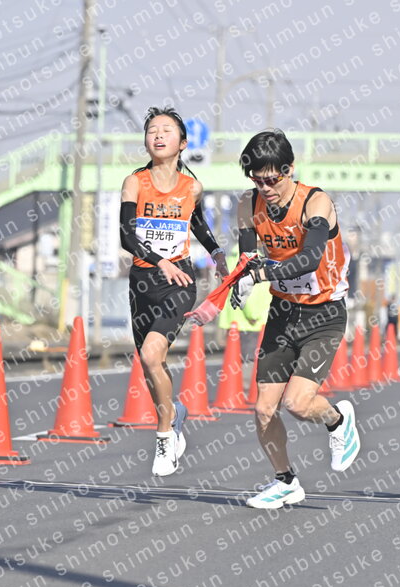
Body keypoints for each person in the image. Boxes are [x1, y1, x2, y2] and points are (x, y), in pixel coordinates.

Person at [232, 129, 359, 509]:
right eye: (257, 179)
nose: (265, 188)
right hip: (284, 311)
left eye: (272, 179)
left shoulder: (315, 203)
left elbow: (309, 259)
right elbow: (248, 258)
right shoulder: (248, 204)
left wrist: (259, 275)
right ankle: (285, 480)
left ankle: (337, 420)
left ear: (289, 169)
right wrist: (241, 279)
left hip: (324, 313)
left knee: (299, 404)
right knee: (263, 409)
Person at [118, 107, 228, 477]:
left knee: (152, 354)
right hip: (142, 282)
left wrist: (217, 255)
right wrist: (156, 260)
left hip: (178, 281)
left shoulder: (191, 187)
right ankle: (173, 414)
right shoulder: (135, 182)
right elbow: (126, 235)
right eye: (152, 130)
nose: (158, 135)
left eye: (167, 130)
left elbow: (198, 225)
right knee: (151, 364)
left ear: (182, 143)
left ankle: (165, 437)